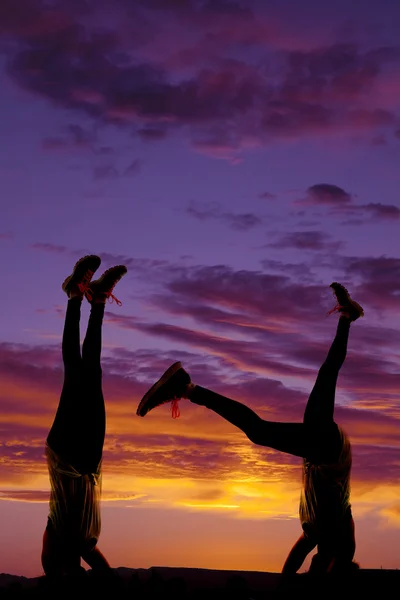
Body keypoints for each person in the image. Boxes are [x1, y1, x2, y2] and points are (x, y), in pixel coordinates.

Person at [136, 282, 364, 576]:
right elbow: (307, 558)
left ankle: (347, 317)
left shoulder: (317, 537)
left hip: (324, 451)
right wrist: (289, 587)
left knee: (323, 380)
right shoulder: (340, 547)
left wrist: (287, 584)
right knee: (260, 431)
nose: (312, 567)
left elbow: (297, 557)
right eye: (316, 571)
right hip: (327, 453)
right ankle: (187, 387)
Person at [41, 255, 127, 578]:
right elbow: (103, 572)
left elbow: (59, 556)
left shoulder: (55, 553)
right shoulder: (87, 543)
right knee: (92, 375)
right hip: (90, 463)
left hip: (64, 456)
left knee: (75, 374)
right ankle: (99, 300)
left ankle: (75, 296)